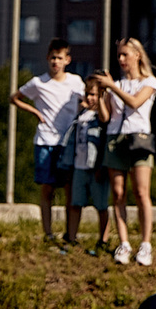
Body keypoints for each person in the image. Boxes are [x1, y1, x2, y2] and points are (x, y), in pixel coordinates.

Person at [89, 37, 156, 267]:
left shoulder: (149, 82)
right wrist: (101, 95)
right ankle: (124, 242)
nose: (121, 60)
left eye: (125, 55)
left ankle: (146, 244)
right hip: (115, 139)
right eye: (119, 55)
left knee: (141, 192)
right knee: (118, 194)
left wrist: (111, 87)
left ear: (137, 56)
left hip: (138, 138)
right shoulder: (117, 84)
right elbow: (105, 117)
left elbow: (135, 103)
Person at [9, 40, 84, 247]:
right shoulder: (38, 83)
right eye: (53, 57)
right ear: (47, 59)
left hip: (68, 141)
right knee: (47, 188)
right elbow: (15, 97)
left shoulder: (76, 82)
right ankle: (48, 232)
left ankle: (70, 234)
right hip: (45, 140)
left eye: (60, 58)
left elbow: (86, 101)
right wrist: (34, 111)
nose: (56, 62)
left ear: (67, 60)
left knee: (70, 189)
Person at [63, 81, 113, 256]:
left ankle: (103, 240)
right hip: (79, 165)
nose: (90, 98)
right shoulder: (80, 116)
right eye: (88, 94)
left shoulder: (101, 117)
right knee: (76, 203)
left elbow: (105, 120)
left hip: (95, 166)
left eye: (94, 95)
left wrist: (102, 166)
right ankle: (71, 237)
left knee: (101, 205)